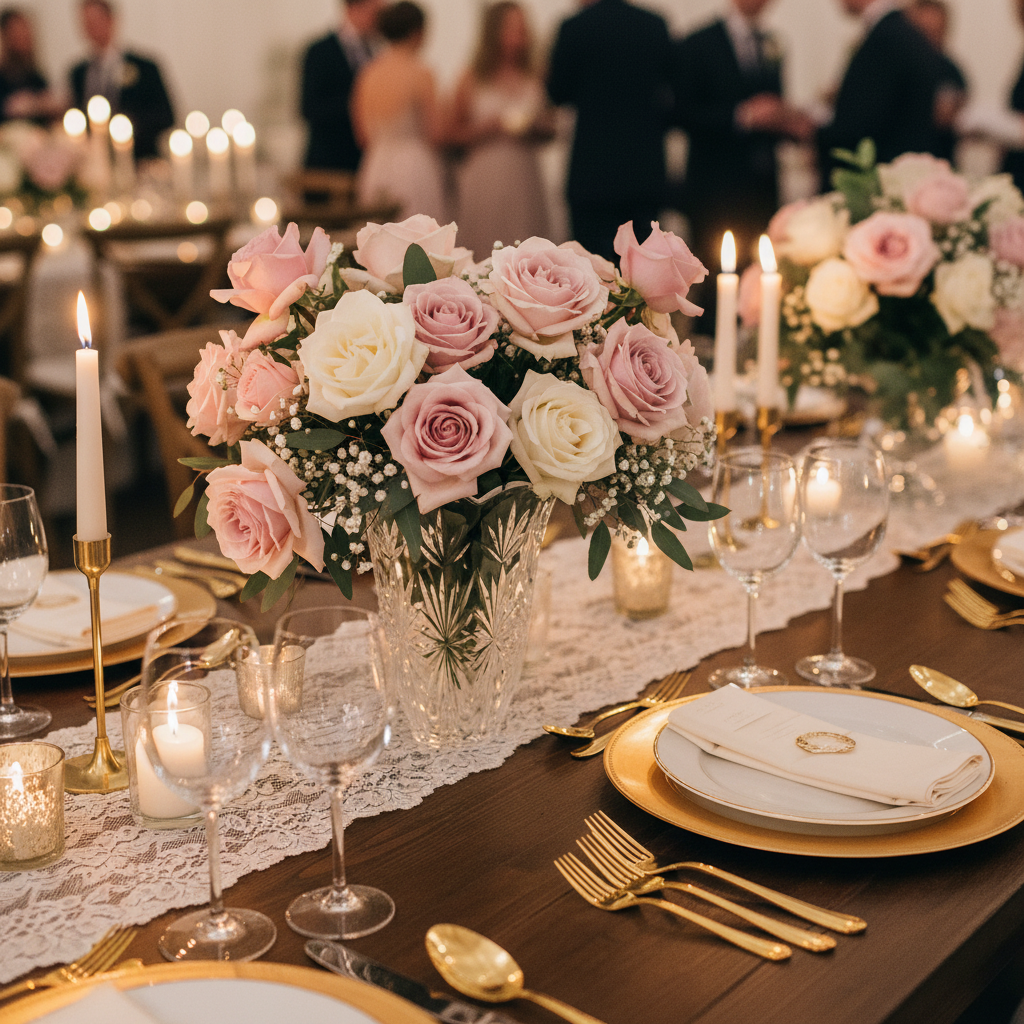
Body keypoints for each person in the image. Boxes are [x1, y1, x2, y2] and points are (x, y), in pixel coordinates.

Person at [672, 0, 813, 278]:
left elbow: (774, 104)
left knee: (760, 276)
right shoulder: (698, 42)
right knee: (714, 279)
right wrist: (743, 115)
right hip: (714, 187)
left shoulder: (773, 43)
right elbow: (680, 113)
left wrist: (788, 121)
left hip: (762, 185)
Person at [547, 0, 673, 260]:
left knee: (593, 273)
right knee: (642, 275)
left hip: (591, 176)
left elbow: (557, 92)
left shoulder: (575, 27)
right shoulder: (654, 25)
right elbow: (672, 90)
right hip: (643, 175)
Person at [449, 2, 552, 260]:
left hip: (525, 175)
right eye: (511, 28)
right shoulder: (472, 77)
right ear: (493, 33)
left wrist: (535, 126)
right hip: (485, 176)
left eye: (522, 28)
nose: (518, 35)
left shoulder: (536, 74)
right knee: (485, 250)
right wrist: (488, 127)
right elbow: (450, 133)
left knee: (528, 251)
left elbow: (552, 127)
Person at [817, 0, 944, 187]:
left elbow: (860, 127)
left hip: (877, 184)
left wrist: (813, 131)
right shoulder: (903, 31)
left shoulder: (885, 39)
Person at [351, 1, 446, 222]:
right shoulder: (421, 73)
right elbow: (436, 134)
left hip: (375, 165)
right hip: (414, 168)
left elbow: (362, 136)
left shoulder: (367, 74)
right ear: (417, 32)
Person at [68, 0, 174, 160]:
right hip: (95, 161)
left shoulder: (145, 67)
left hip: (139, 158)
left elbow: (166, 115)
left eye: (97, 21)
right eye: (87, 23)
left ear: (112, 20)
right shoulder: (78, 72)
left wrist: (126, 125)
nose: (92, 28)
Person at [300, 0, 382, 173]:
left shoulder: (376, 53)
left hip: (364, 163)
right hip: (328, 164)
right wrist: (359, 102)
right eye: (376, 12)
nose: (379, 20)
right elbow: (309, 108)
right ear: (353, 9)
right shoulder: (319, 51)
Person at [904, 0, 967, 164]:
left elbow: (948, 114)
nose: (928, 40)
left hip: (937, 160)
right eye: (923, 32)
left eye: (935, 32)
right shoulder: (895, 69)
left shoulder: (951, 71)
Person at [0, 8, 60, 125]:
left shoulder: (35, 76)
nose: (23, 36)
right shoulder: (3, 77)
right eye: (16, 31)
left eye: (25, 30)